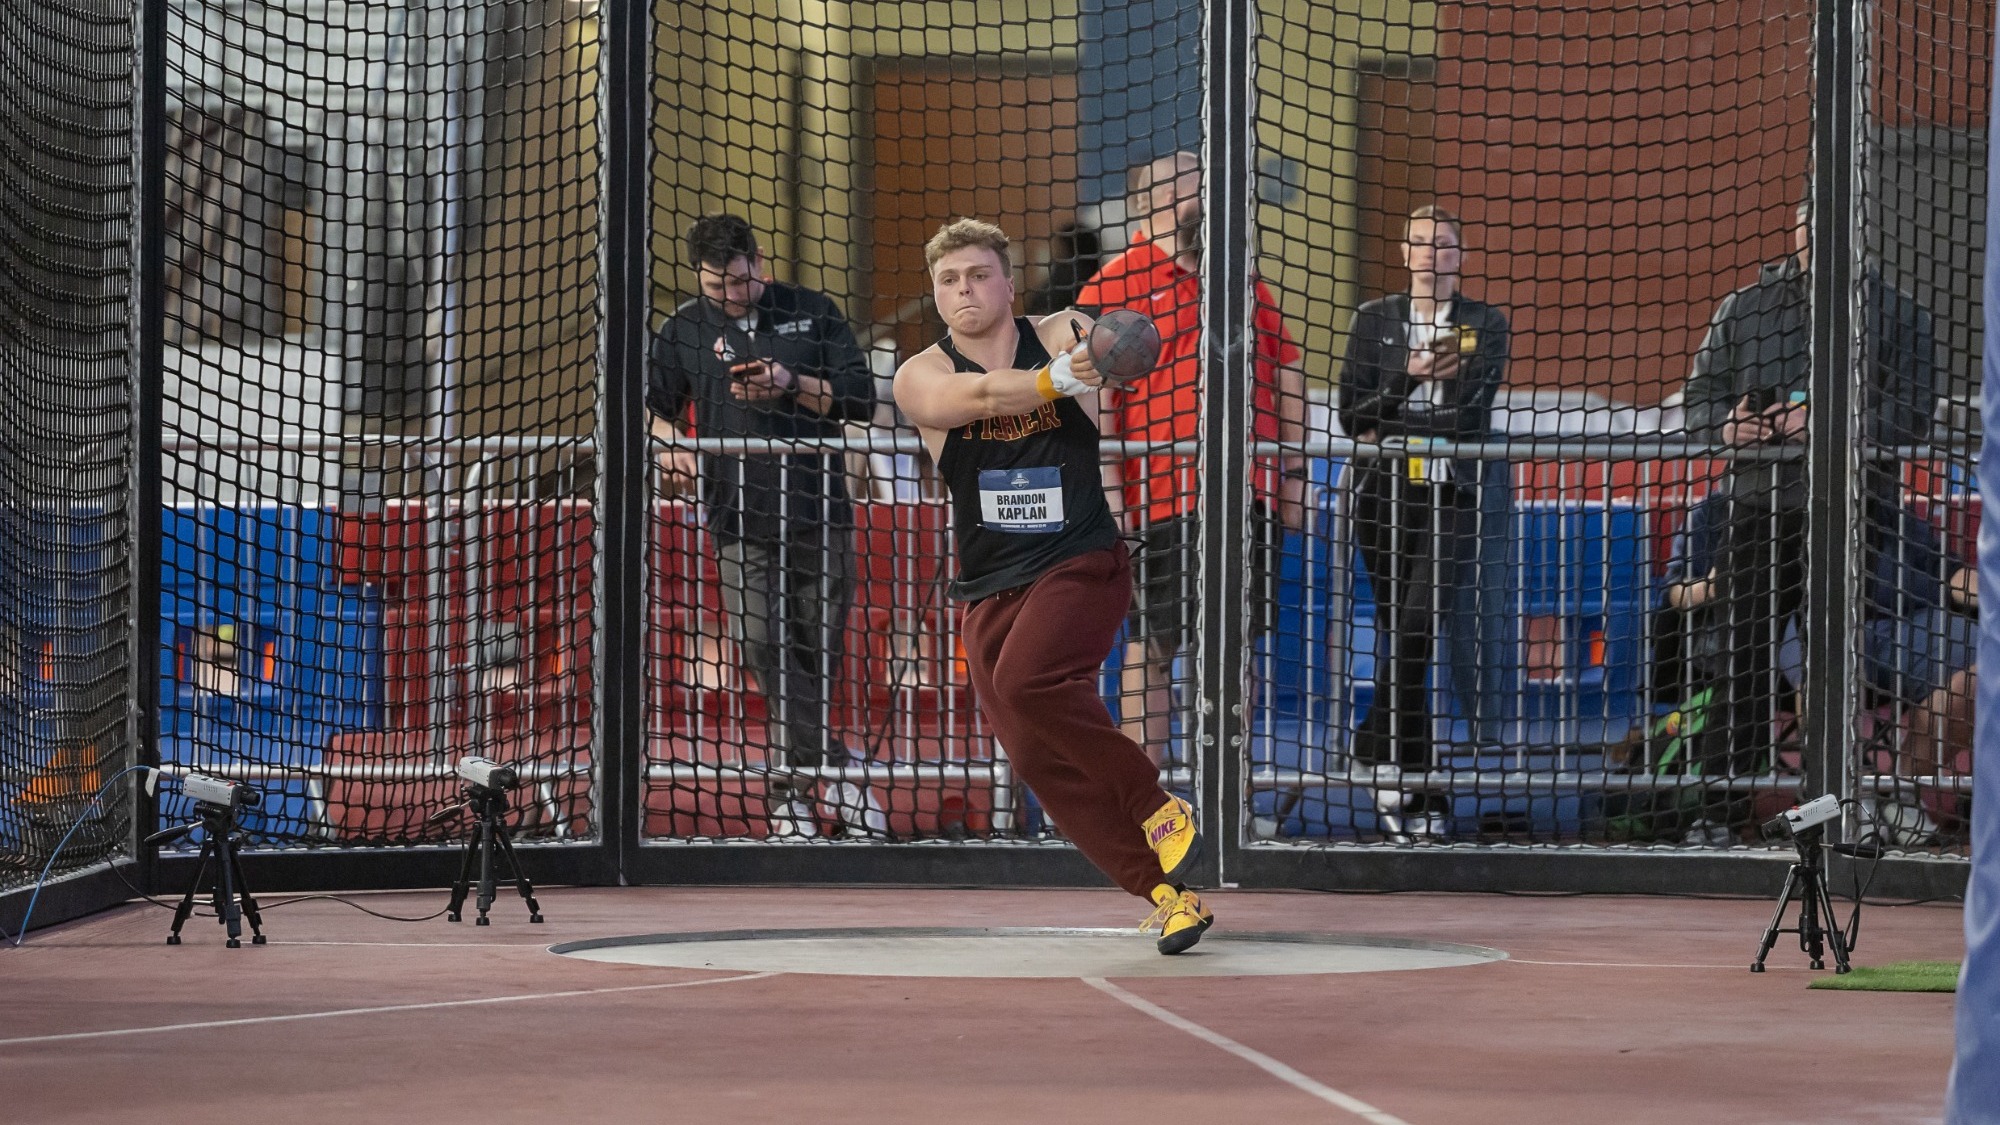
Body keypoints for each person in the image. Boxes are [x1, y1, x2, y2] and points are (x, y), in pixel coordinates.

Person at [892, 217, 1211, 954]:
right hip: (990, 584)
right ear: (937, 296)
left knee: (1031, 680)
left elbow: (1106, 347)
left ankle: (1158, 807)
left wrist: (1096, 356)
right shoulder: (920, 373)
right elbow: (971, 403)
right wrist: (1052, 381)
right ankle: (1169, 897)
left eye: (978, 274)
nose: (964, 290)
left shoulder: (1064, 327)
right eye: (949, 280)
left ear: (1008, 280)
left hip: (1079, 560)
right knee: (1035, 757)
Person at [1680, 182, 1936, 792]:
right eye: (1810, 222)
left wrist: (1824, 424)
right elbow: (1699, 397)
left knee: (1834, 657)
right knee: (1743, 651)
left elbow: (1913, 414)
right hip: (1759, 503)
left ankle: (1835, 801)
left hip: (1853, 509)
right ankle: (1717, 805)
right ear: (1796, 228)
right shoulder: (1744, 307)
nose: (1819, 234)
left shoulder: (1899, 313)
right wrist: (1728, 425)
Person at [647, 213, 880, 838]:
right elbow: (650, 409)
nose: (729, 295)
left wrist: (790, 383)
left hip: (818, 509)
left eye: (740, 282)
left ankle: (790, 796)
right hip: (736, 515)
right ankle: (836, 771)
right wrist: (675, 445)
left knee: (815, 651)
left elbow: (861, 399)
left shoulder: (812, 309)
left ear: (760, 265)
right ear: (699, 276)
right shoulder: (685, 327)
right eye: (717, 285)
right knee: (759, 643)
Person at [1074, 150, 1308, 760]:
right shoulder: (1114, 283)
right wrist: (1109, 497)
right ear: (1146, 202)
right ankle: (1144, 788)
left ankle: (1228, 782)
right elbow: (1093, 396)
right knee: (1154, 641)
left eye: (1200, 180)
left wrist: (1294, 476)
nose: (1198, 190)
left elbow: (1286, 367)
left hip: (1242, 491)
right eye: (1182, 182)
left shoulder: (1239, 275)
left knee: (1235, 643)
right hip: (1159, 494)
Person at [1335, 205, 1510, 839]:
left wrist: (1398, 423)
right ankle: (1417, 778)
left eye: (1444, 245)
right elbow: (1353, 419)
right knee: (1402, 634)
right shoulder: (1374, 320)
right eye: (1420, 244)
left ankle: (1382, 758)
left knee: (1415, 628)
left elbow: (1470, 417)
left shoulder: (1484, 324)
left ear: (1459, 257)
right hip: (1383, 496)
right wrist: (1409, 383)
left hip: (1453, 494)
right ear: (1404, 253)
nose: (1432, 255)